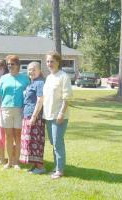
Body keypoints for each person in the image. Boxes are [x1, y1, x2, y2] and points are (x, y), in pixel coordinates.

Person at [0, 55, 29, 170]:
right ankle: (9, 162)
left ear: (18, 65)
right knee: (8, 136)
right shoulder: (3, 78)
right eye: (8, 64)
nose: (10, 66)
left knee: (18, 136)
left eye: (12, 64)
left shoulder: (25, 78)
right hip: (6, 110)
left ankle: (16, 162)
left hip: (20, 110)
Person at [43, 51, 73, 179]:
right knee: (53, 143)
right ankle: (56, 167)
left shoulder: (63, 76)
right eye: (48, 61)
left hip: (59, 116)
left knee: (57, 142)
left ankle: (60, 170)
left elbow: (67, 98)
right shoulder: (49, 77)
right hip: (48, 116)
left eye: (52, 61)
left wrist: (61, 113)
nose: (49, 64)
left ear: (58, 62)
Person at [19, 62, 45, 174]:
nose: (31, 72)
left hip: (35, 117)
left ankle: (40, 167)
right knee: (29, 142)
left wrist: (34, 117)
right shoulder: (32, 83)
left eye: (34, 69)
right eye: (29, 70)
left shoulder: (39, 83)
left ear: (39, 71)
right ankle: (34, 165)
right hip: (27, 115)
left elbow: (40, 100)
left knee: (36, 141)